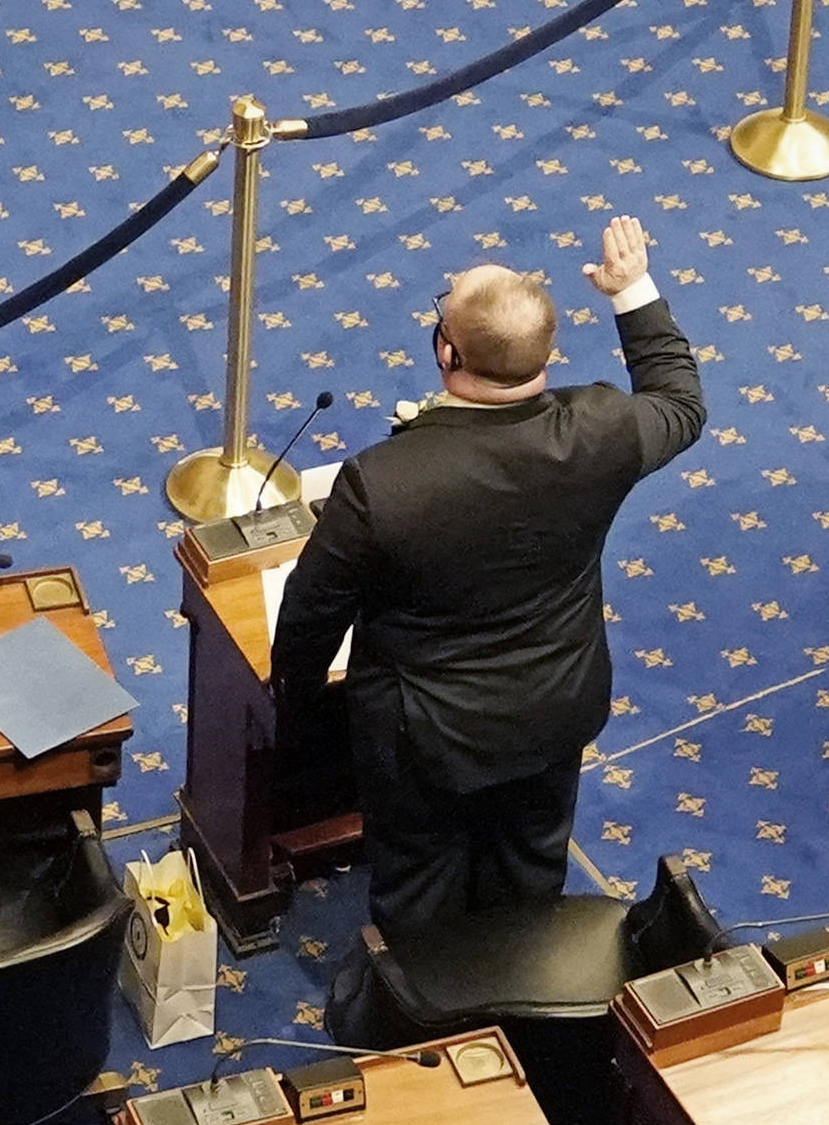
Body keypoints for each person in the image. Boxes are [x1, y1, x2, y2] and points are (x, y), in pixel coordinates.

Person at [272, 214, 703, 942]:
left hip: (424, 740)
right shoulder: (601, 430)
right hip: (553, 709)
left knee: (416, 896)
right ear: (548, 354)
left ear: (447, 351)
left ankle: (426, 1036)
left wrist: (298, 715)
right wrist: (631, 291)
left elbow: (311, 617)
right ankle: (521, 1012)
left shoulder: (383, 482)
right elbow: (681, 403)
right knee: (530, 880)